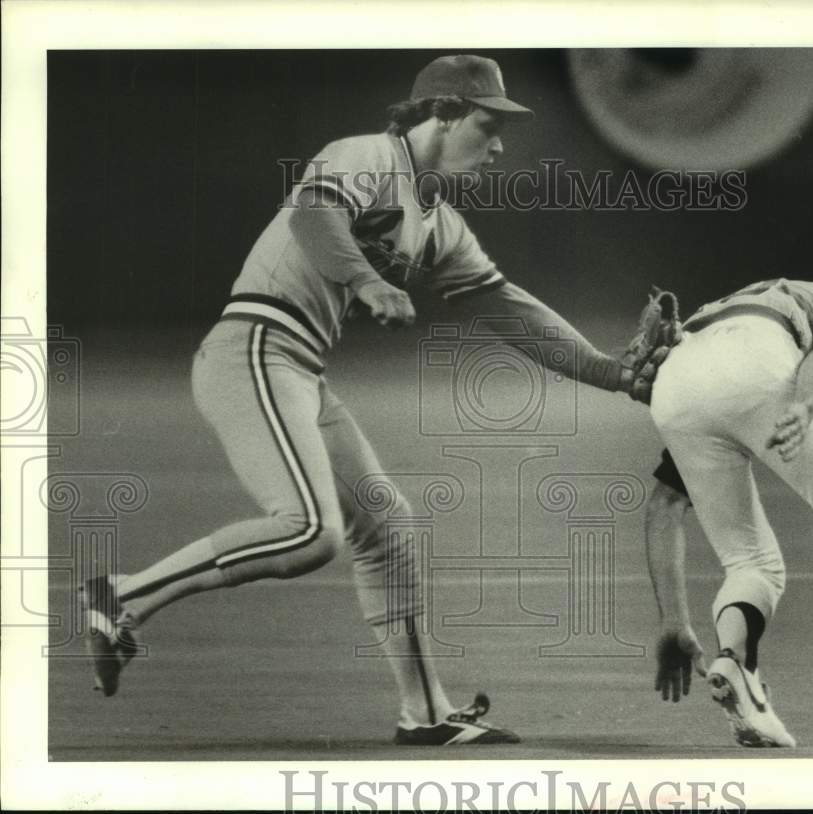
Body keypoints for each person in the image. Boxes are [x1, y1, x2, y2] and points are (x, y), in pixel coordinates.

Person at [81, 55, 640, 746]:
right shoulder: (367, 156)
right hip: (253, 349)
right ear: (442, 113)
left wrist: (612, 373)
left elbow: (508, 309)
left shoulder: (436, 221)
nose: (499, 144)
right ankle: (123, 597)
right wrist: (368, 283)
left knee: (386, 528)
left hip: (297, 369)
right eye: (489, 123)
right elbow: (313, 217)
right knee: (310, 531)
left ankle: (427, 714)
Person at [642, 278, 813, 748]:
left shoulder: (741, 305)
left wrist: (673, 622)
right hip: (757, 359)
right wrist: (807, 405)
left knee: (751, 564)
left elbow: (664, 505)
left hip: (677, 382)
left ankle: (733, 663)